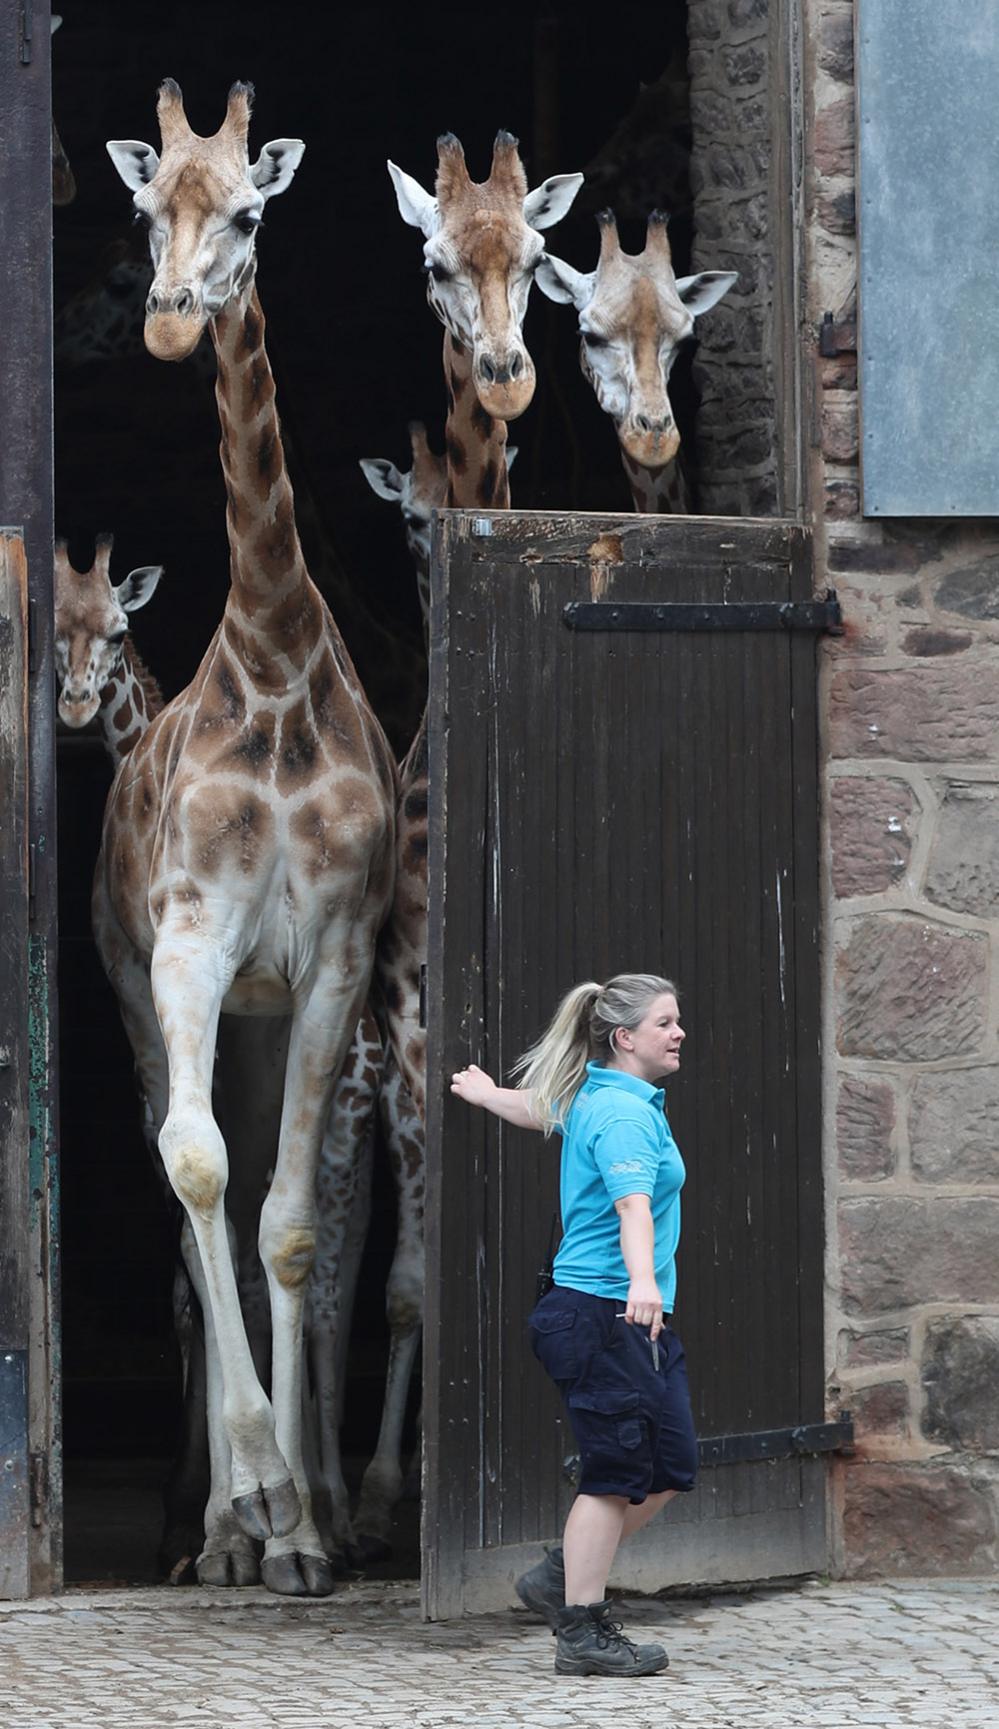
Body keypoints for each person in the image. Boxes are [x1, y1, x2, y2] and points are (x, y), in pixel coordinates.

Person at [450, 972, 696, 1679]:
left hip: (621, 1316)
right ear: (624, 1037)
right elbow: (632, 1207)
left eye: (676, 1021)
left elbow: (542, 1109)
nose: (678, 1032)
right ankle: (582, 1630)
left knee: (671, 1463)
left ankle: (562, 1573)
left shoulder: (605, 1096)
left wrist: (488, 1094)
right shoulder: (621, 1115)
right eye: (664, 1023)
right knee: (617, 1470)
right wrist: (643, 1281)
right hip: (602, 1311)